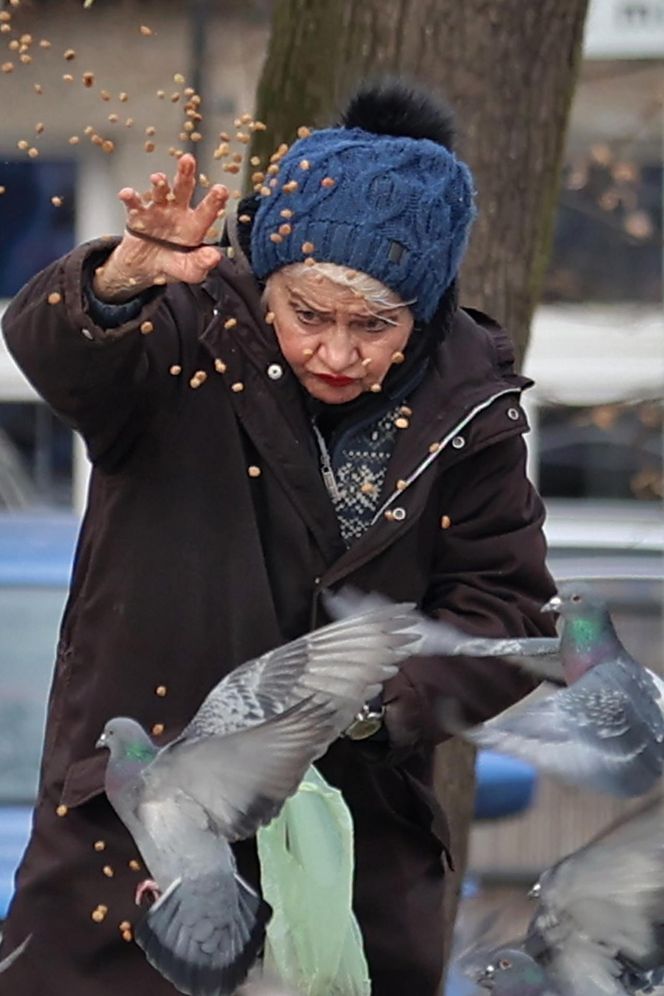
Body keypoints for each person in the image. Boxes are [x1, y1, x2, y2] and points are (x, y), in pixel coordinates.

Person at [0, 79, 555, 996]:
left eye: (373, 327)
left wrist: (371, 701)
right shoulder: (185, 325)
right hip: (130, 841)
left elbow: (508, 608)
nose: (337, 354)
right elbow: (55, 354)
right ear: (267, 280)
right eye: (309, 316)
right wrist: (117, 282)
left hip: (357, 854)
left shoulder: (472, 402)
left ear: (426, 310)